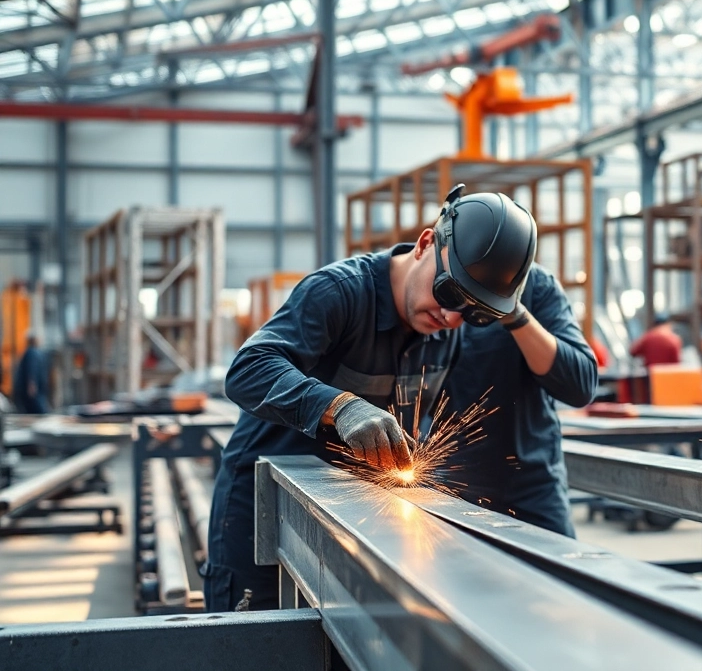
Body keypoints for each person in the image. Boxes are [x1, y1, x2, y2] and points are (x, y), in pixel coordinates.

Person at [205, 186, 597, 612]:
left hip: (346, 518)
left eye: (469, 312)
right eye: (447, 294)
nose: (450, 318)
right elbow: (249, 368)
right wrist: (340, 406)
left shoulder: (439, 332)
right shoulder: (340, 291)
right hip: (265, 516)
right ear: (427, 244)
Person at [13, 331, 50, 414]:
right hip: (35, 391)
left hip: (38, 389)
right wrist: (32, 385)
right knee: (38, 410)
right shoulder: (32, 353)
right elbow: (32, 368)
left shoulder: (33, 352)